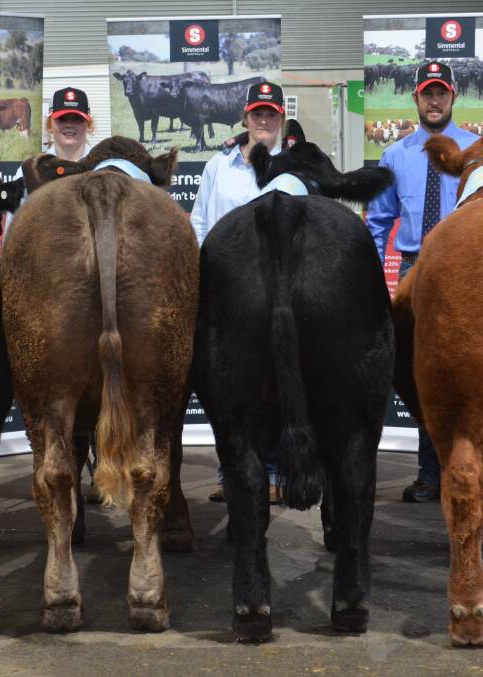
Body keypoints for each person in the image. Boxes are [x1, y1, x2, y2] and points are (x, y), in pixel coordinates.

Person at [365, 61, 483, 509]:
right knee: (425, 376)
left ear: (453, 97)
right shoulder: (395, 156)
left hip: (470, 271)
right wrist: (368, 280)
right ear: (415, 99)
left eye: (441, 93)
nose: (434, 100)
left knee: (478, 373)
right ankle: (429, 473)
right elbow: (378, 222)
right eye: (427, 93)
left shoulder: (478, 151)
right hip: (416, 270)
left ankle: (479, 476)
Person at [190, 80, 287, 504]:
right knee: (227, 386)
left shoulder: (294, 167)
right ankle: (230, 472)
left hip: (279, 292)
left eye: (271, 113)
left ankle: (272, 473)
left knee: (276, 384)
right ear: (245, 116)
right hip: (226, 293)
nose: (263, 120)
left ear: (281, 118)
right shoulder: (218, 165)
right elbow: (198, 224)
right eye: (257, 113)